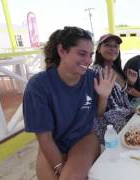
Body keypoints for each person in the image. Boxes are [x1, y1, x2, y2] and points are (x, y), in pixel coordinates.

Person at [23, 26, 116, 180]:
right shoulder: (38, 86)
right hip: (53, 142)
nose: (88, 61)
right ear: (62, 51)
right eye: (81, 53)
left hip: (84, 138)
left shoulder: (92, 78)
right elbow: (44, 138)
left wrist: (103, 97)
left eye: (90, 55)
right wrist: (60, 167)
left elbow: (98, 115)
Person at [91, 34, 137, 144]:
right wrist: (103, 96)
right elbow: (98, 113)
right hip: (111, 127)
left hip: (126, 116)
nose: (112, 49)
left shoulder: (115, 68)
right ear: (99, 48)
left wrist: (130, 83)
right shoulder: (97, 72)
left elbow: (121, 97)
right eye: (107, 45)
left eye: (116, 46)